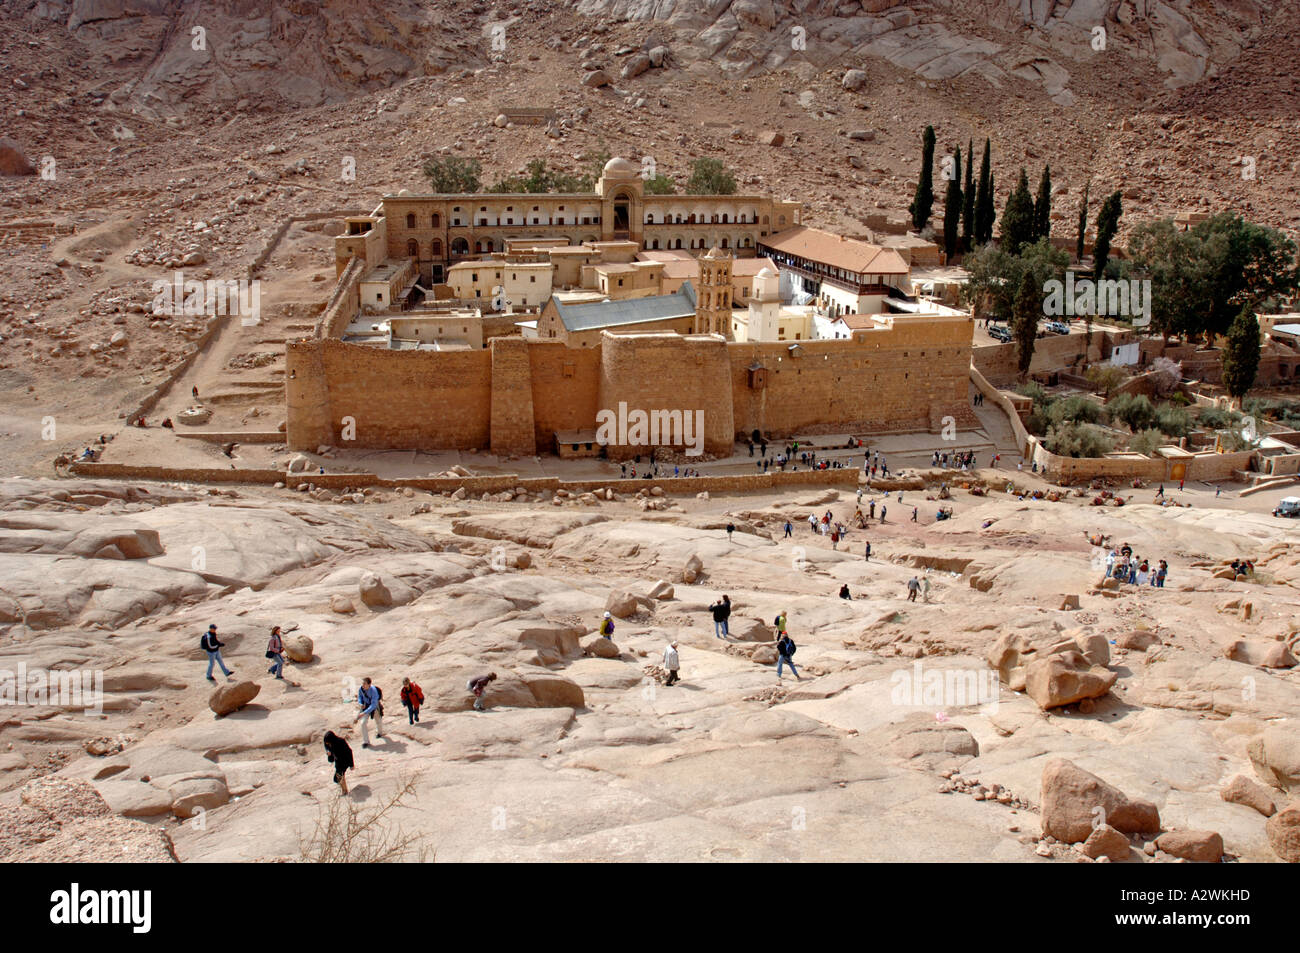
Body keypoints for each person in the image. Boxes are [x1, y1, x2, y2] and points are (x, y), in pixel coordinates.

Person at [323, 730, 353, 795]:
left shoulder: (341, 742)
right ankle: (344, 791)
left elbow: (349, 752)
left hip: (345, 761)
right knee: (339, 777)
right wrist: (329, 754)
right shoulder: (329, 744)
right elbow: (331, 759)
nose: (327, 744)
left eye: (328, 743)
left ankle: (345, 791)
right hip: (338, 763)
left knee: (339, 777)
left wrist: (351, 765)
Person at [355, 677, 383, 747]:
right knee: (363, 723)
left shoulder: (374, 691)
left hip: (374, 706)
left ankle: (379, 733)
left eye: (364, 684)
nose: (363, 685)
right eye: (362, 683)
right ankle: (366, 741)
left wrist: (364, 713)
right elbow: (360, 697)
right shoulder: (361, 689)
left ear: (369, 684)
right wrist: (361, 703)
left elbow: (373, 704)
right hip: (366, 705)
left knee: (378, 720)